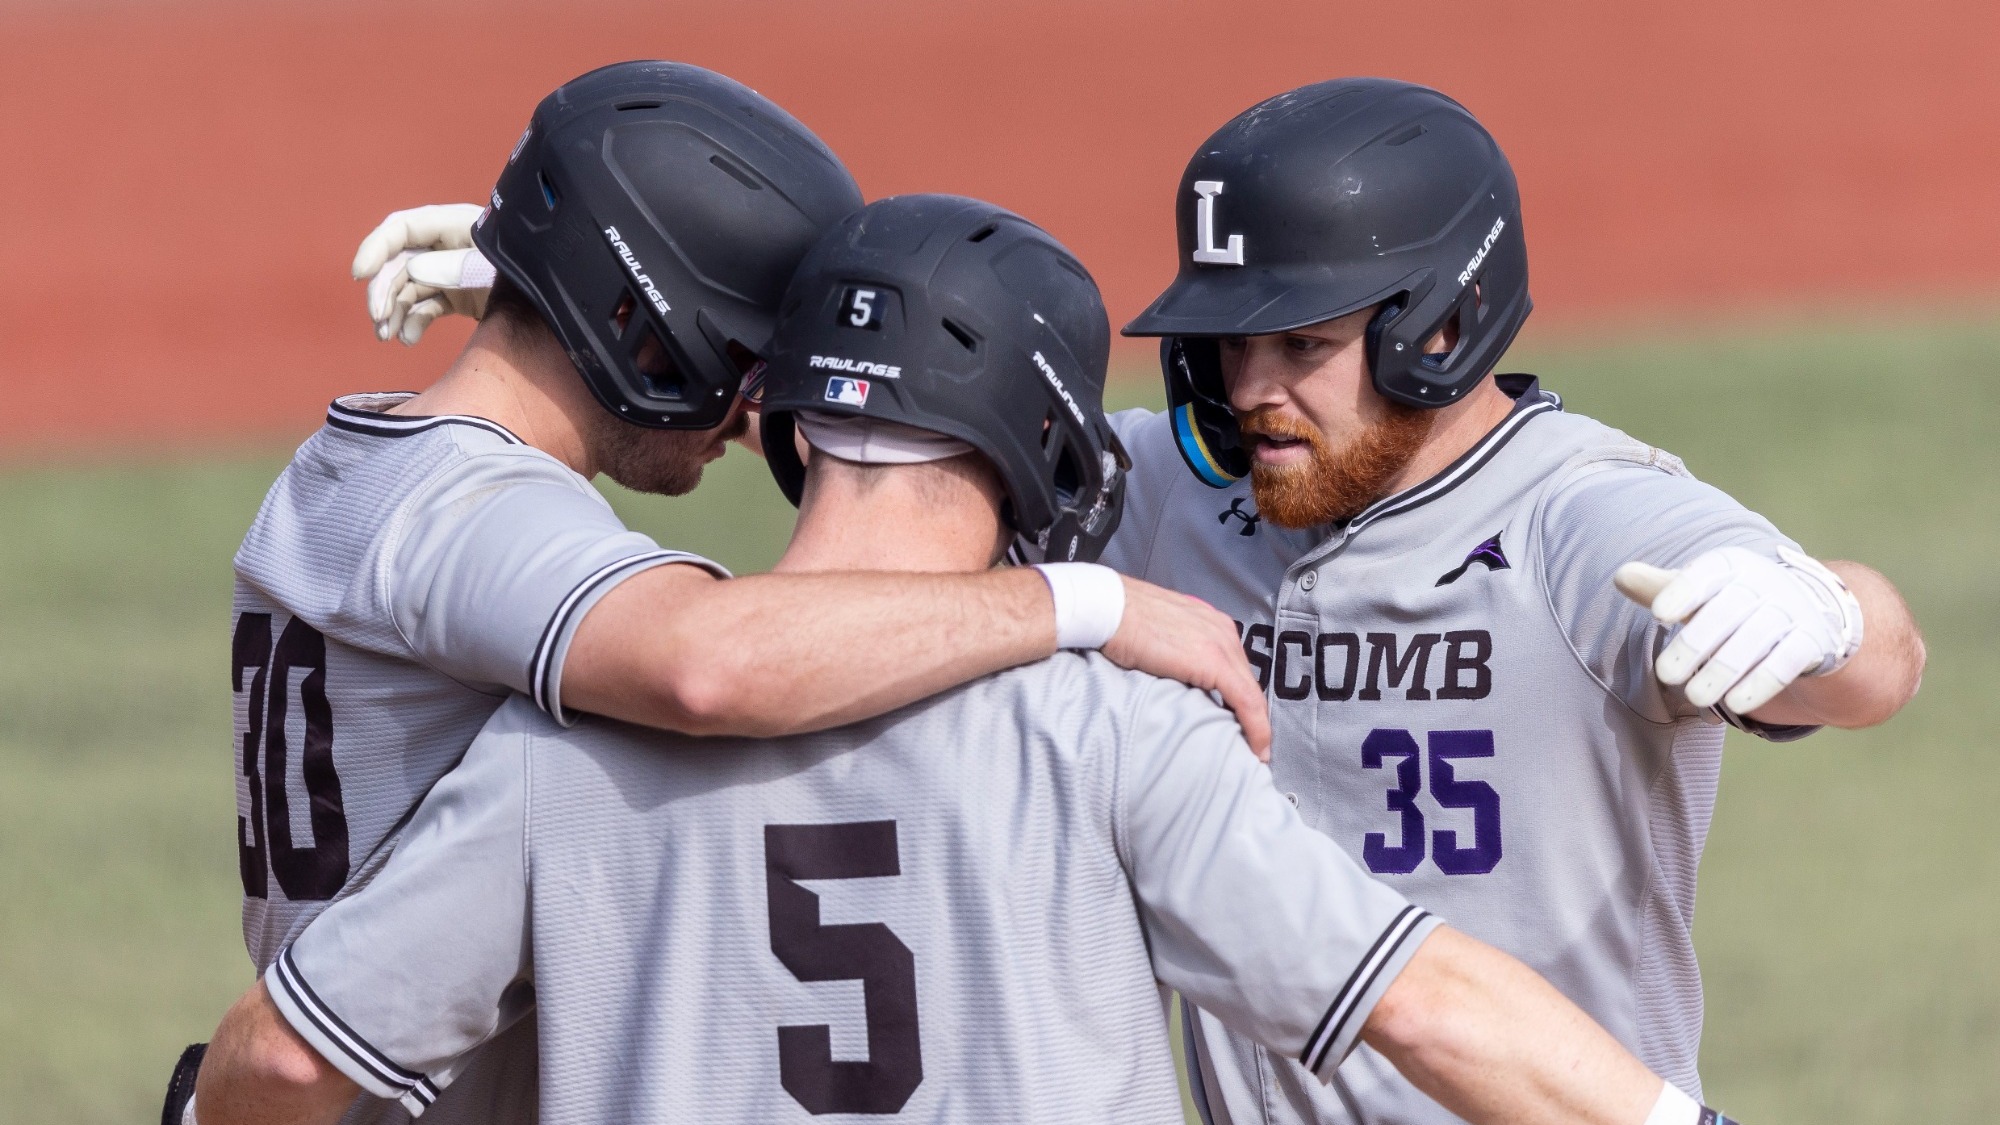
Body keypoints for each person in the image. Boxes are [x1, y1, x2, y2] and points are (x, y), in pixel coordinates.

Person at [347, 77, 1925, 1125]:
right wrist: (566, 291)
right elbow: (908, 406)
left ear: (1438, 324)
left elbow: (1868, 655)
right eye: (1224, 345)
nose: (1252, 389)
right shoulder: (1181, 481)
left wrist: (1832, 615)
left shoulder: (1587, 516)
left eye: (1296, 342)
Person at [169, 61, 1266, 1125]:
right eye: (750, 364)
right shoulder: (466, 513)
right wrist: (1079, 606)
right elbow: (709, 664)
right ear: (647, 336)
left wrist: (542, 285)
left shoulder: (346, 475)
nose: (757, 419)